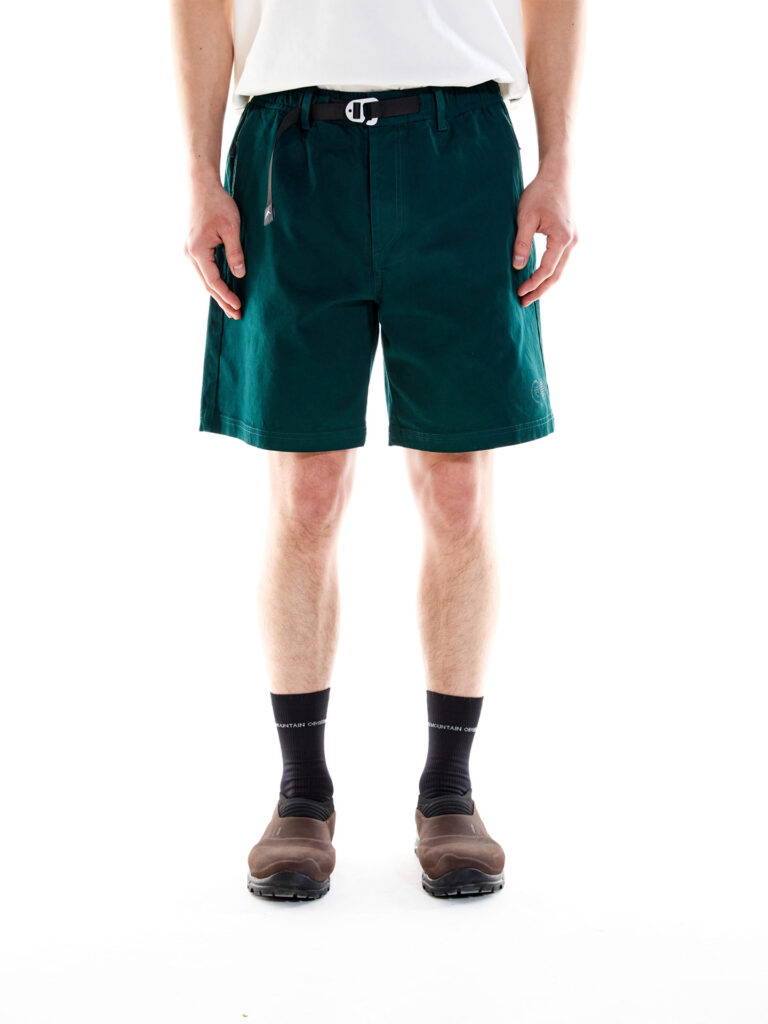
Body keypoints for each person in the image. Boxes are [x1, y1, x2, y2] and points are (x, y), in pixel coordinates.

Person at [171, 0, 584, 900]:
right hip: (291, 152)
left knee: (458, 493)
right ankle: (301, 794)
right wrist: (199, 171)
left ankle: (449, 791)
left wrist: (556, 163)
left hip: (459, 147)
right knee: (306, 493)